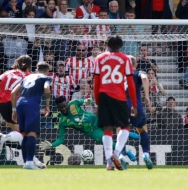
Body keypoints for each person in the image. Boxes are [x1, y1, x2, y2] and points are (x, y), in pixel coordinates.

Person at [38, 96, 138, 169]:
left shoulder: (73, 103)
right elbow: (61, 139)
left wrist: (88, 101)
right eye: (61, 108)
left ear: (67, 103)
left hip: (97, 119)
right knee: (108, 143)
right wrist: (52, 145)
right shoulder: (63, 122)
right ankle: (126, 151)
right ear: (58, 108)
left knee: (116, 122)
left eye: (64, 106)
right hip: (92, 131)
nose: (63, 109)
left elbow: (87, 100)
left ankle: (127, 134)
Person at [0, 55, 45, 169]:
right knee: (27, 134)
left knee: (22, 136)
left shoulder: (7, 73)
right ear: (29, 66)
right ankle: (5, 137)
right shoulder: (28, 75)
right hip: (16, 105)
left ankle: (33, 162)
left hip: (3, 106)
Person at [92, 36, 137, 171]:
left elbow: (96, 82)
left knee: (107, 128)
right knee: (125, 127)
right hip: (119, 96)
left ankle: (109, 162)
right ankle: (116, 154)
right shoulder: (125, 59)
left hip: (103, 95)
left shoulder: (99, 58)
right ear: (121, 46)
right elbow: (130, 83)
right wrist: (134, 104)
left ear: (107, 44)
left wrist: (97, 102)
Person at [11, 61, 52, 170]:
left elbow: (13, 93)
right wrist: (47, 106)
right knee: (32, 133)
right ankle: (29, 163)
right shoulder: (45, 77)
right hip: (32, 105)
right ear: (47, 71)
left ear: (37, 69)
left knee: (25, 134)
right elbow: (47, 88)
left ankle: (26, 163)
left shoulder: (27, 77)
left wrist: (14, 110)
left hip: (20, 103)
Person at [127, 55, 153, 169]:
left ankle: (122, 156)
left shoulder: (118, 75)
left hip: (120, 106)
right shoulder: (138, 72)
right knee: (143, 130)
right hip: (135, 105)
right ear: (135, 65)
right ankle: (146, 154)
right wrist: (147, 96)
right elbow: (145, 78)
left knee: (120, 131)